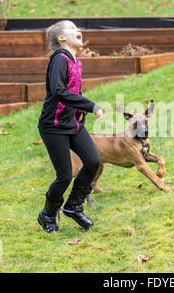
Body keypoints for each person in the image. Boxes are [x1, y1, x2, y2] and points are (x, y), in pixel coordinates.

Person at [37, 20, 103, 233]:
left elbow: (74, 93)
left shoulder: (76, 61)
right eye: (72, 28)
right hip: (53, 126)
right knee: (65, 175)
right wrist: (90, 105)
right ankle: (47, 214)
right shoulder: (60, 59)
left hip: (73, 124)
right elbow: (58, 91)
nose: (79, 30)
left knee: (93, 162)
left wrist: (82, 112)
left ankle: (73, 207)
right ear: (61, 38)